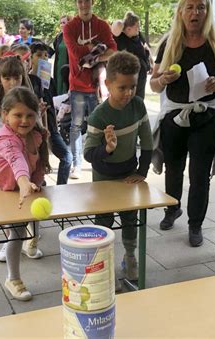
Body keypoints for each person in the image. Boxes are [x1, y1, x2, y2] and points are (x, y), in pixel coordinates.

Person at [149, 0, 215, 247]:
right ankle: (172, 208)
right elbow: (153, 84)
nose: (195, 12)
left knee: (200, 174)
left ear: (207, 12)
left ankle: (195, 223)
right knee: (173, 168)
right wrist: (162, 79)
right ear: (181, 12)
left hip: (206, 116)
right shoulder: (169, 41)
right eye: (190, 7)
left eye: (200, 7)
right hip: (175, 114)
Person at [84, 51, 153, 284]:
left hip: (128, 176)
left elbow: (148, 142)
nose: (128, 93)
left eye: (132, 86)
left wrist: (141, 172)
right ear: (108, 84)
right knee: (103, 222)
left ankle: (130, 257)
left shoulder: (138, 106)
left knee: (130, 219)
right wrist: (108, 148)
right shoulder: (98, 116)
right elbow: (88, 154)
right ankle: (101, 262)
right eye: (122, 87)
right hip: (103, 179)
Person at [0, 86, 51, 301]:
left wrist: (35, 182)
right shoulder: (5, 138)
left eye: (30, 115)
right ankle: (13, 279)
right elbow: (17, 161)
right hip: (6, 190)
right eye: (18, 115)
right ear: (5, 115)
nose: (24, 120)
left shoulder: (36, 135)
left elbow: (37, 163)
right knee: (17, 233)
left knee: (37, 215)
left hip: (27, 186)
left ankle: (31, 245)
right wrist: (24, 182)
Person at [63, 0, 117, 179]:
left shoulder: (102, 25)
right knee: (76, 125)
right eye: (80, 2)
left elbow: (113, 49)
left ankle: (99, 160)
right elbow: (75, 53)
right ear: (76, 4)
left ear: (92, 1)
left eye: (87, 0)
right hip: (76, 84)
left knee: (99, 125)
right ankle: (76, 164)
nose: (84, 5)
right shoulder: (69, 27)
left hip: (97, 86)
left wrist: (92, 55)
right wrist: (96, 49)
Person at [29, 41, 73, 185]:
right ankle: (40, 182)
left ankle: (61, 186)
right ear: (31, 58)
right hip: (36, 127)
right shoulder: (28, 81)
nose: (43, 59)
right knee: (38, 162)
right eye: (39, 55)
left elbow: (52, 102)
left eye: (46, 56)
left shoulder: (49, 80)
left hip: (51, 127)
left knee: (67, 157)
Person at [112, 11, 153, 99]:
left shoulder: (137, 35)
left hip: (141, 76)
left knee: (139, 102)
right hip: (127, 78)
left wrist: (151, 62)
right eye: (137, 26)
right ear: (128, 29)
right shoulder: (119, 38)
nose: (139, 28)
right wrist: (125, 21)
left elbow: (145, 46)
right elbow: (118, 25)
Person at [52, 15, 72, 95]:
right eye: (61, 23)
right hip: (58, 66)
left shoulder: (74, 36)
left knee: (66, 86)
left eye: (64, 23)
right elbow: (54, 49)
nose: (62, 25)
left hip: (69, 66)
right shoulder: (58, 37)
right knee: (58, 85)